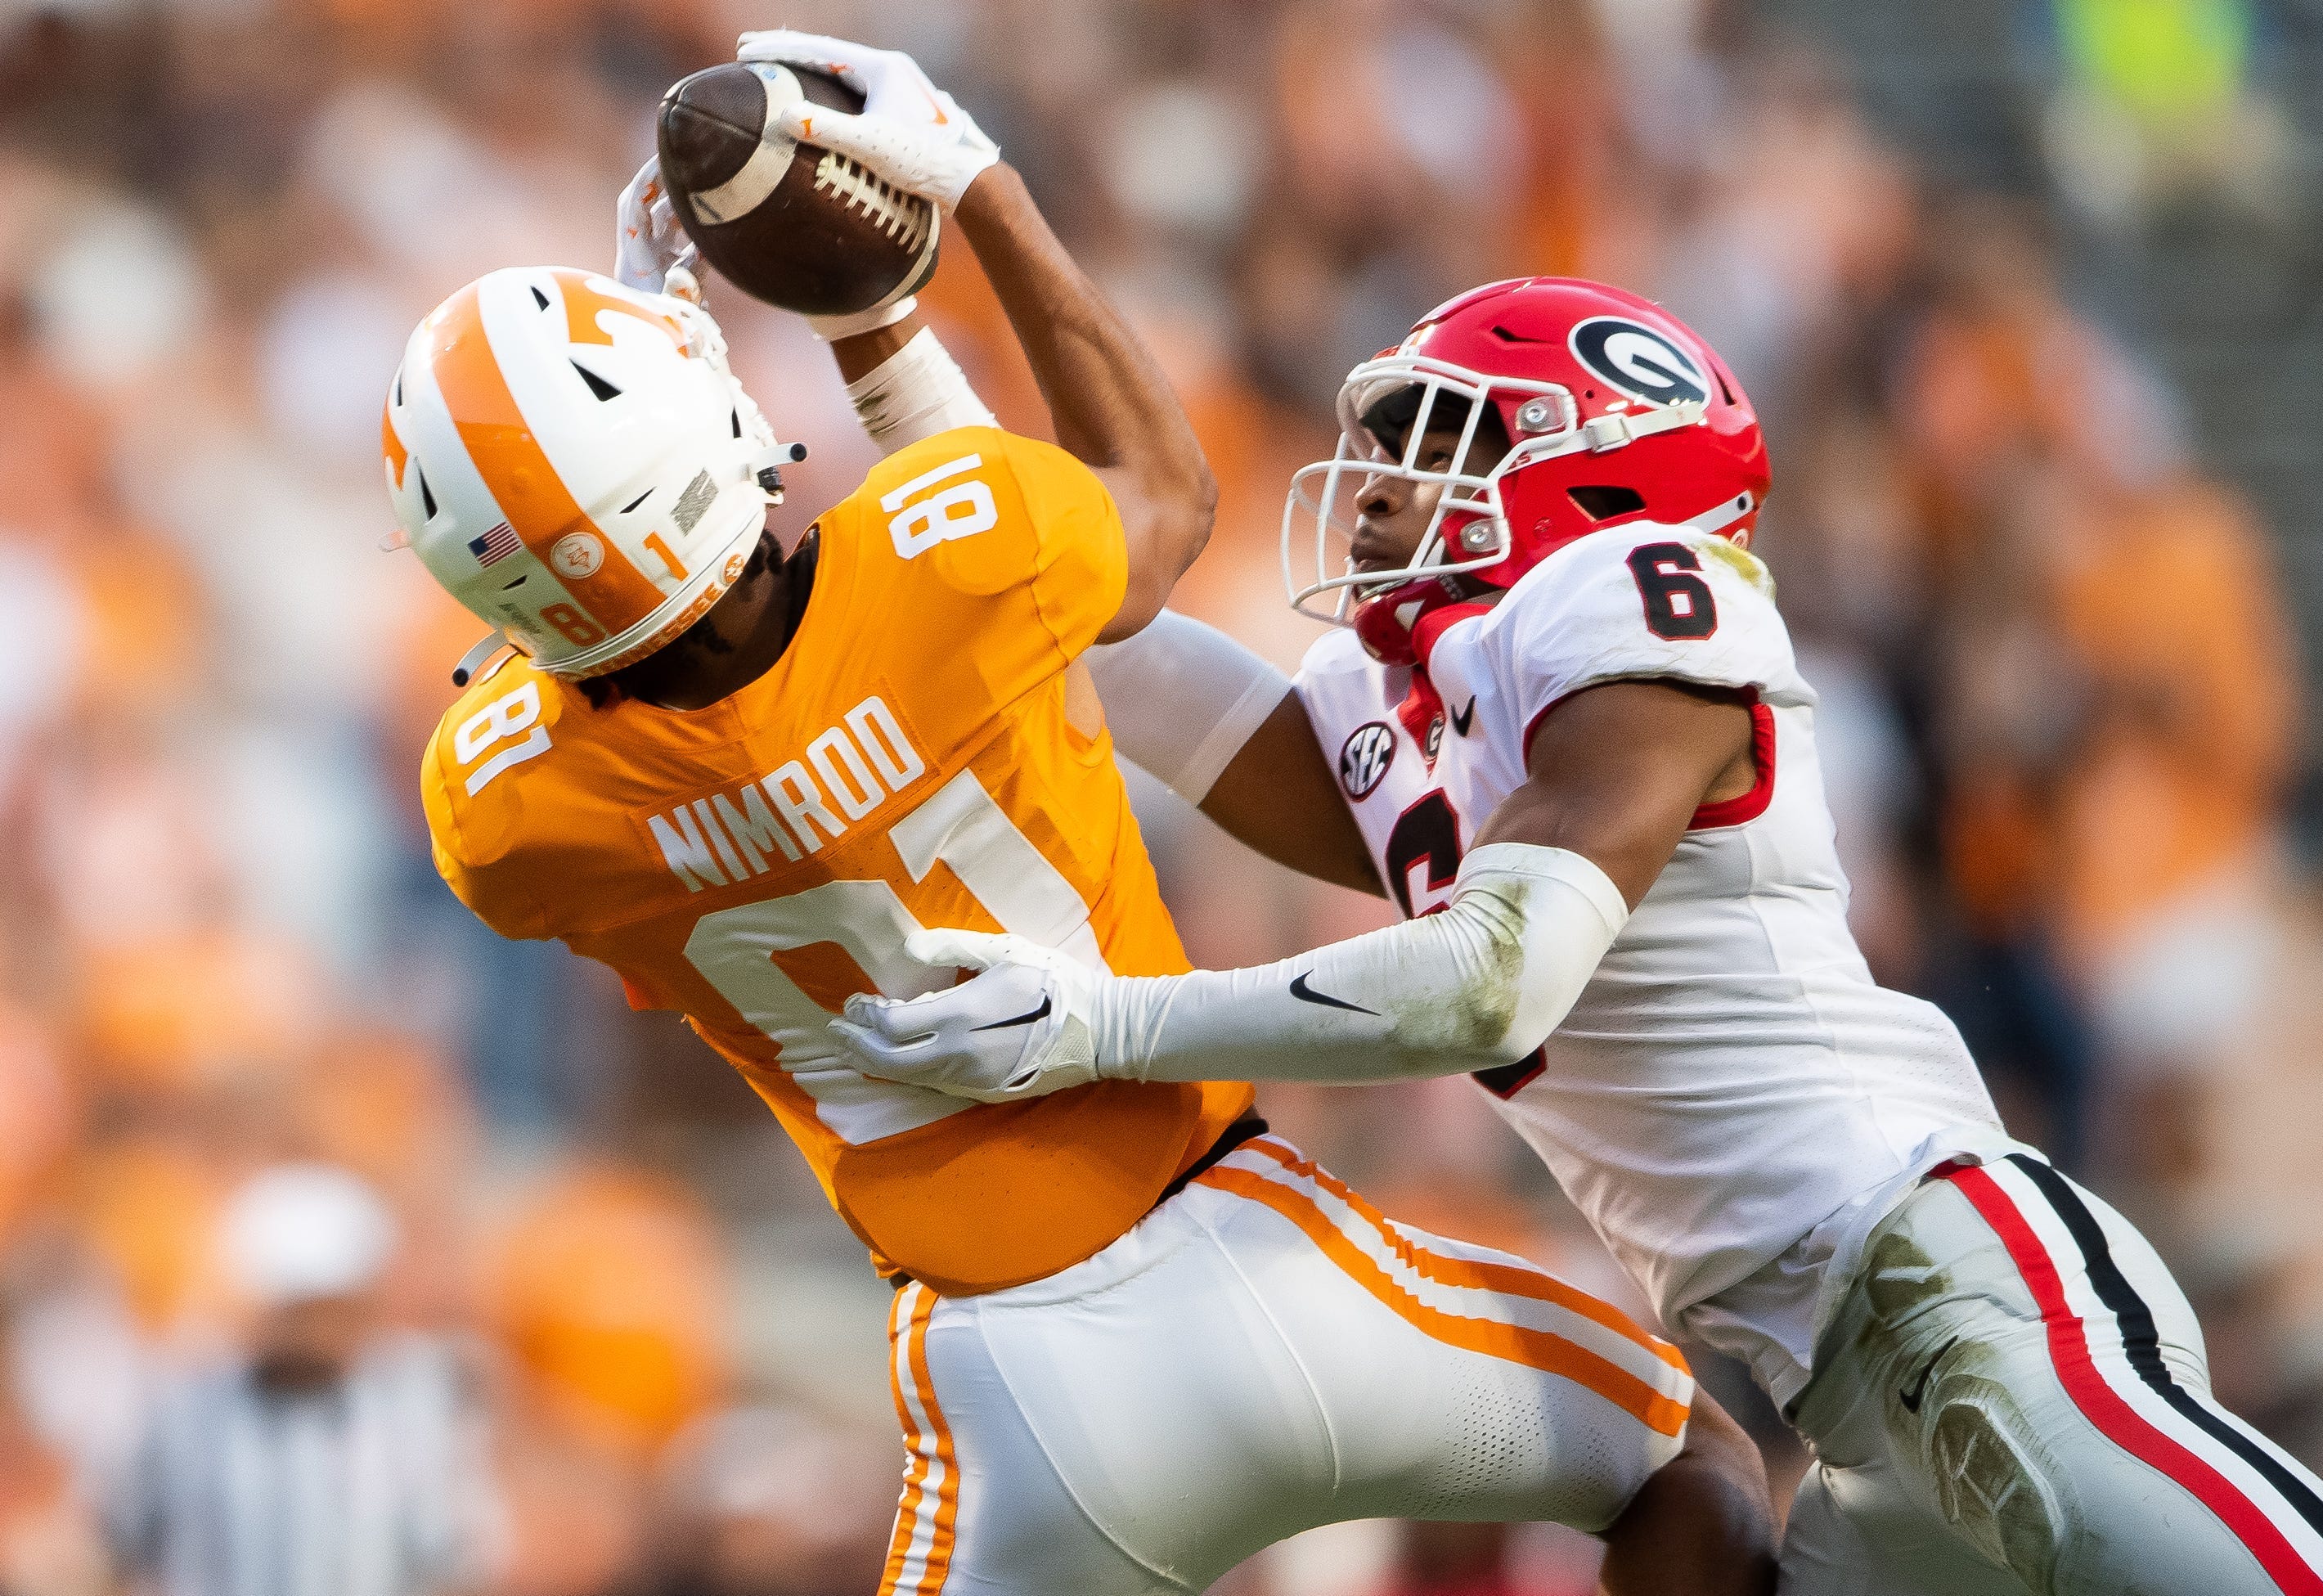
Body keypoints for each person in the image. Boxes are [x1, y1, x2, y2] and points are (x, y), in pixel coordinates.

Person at [391, 34, 1774, 1596]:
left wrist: (614, 439)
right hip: (1271, 1259)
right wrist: (965, 199)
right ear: (705, 443)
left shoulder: (503, 813)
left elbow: (606, 638)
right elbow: (1154, 500)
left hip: (1007, 1398)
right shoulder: (945, 561)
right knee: (1692, 1471)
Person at [833, 273, 2323, 1596]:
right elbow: (1057, 602)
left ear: (1596, 472)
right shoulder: (1406, 723)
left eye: (1435, 438)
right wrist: (880, 326)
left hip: (1942, 1268)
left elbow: (1485, 986)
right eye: (1375, 437)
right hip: (1837, 1388)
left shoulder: (1634, 595)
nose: (1373, 477)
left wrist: (1103, 1022)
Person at [103, 1164, 496, 1596]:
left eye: (328, 1304)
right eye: (298, 1306)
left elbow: (455, 1558)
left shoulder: (415, 1407)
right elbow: (122, 1546)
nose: (313, 1326)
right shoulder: (185, 1410)